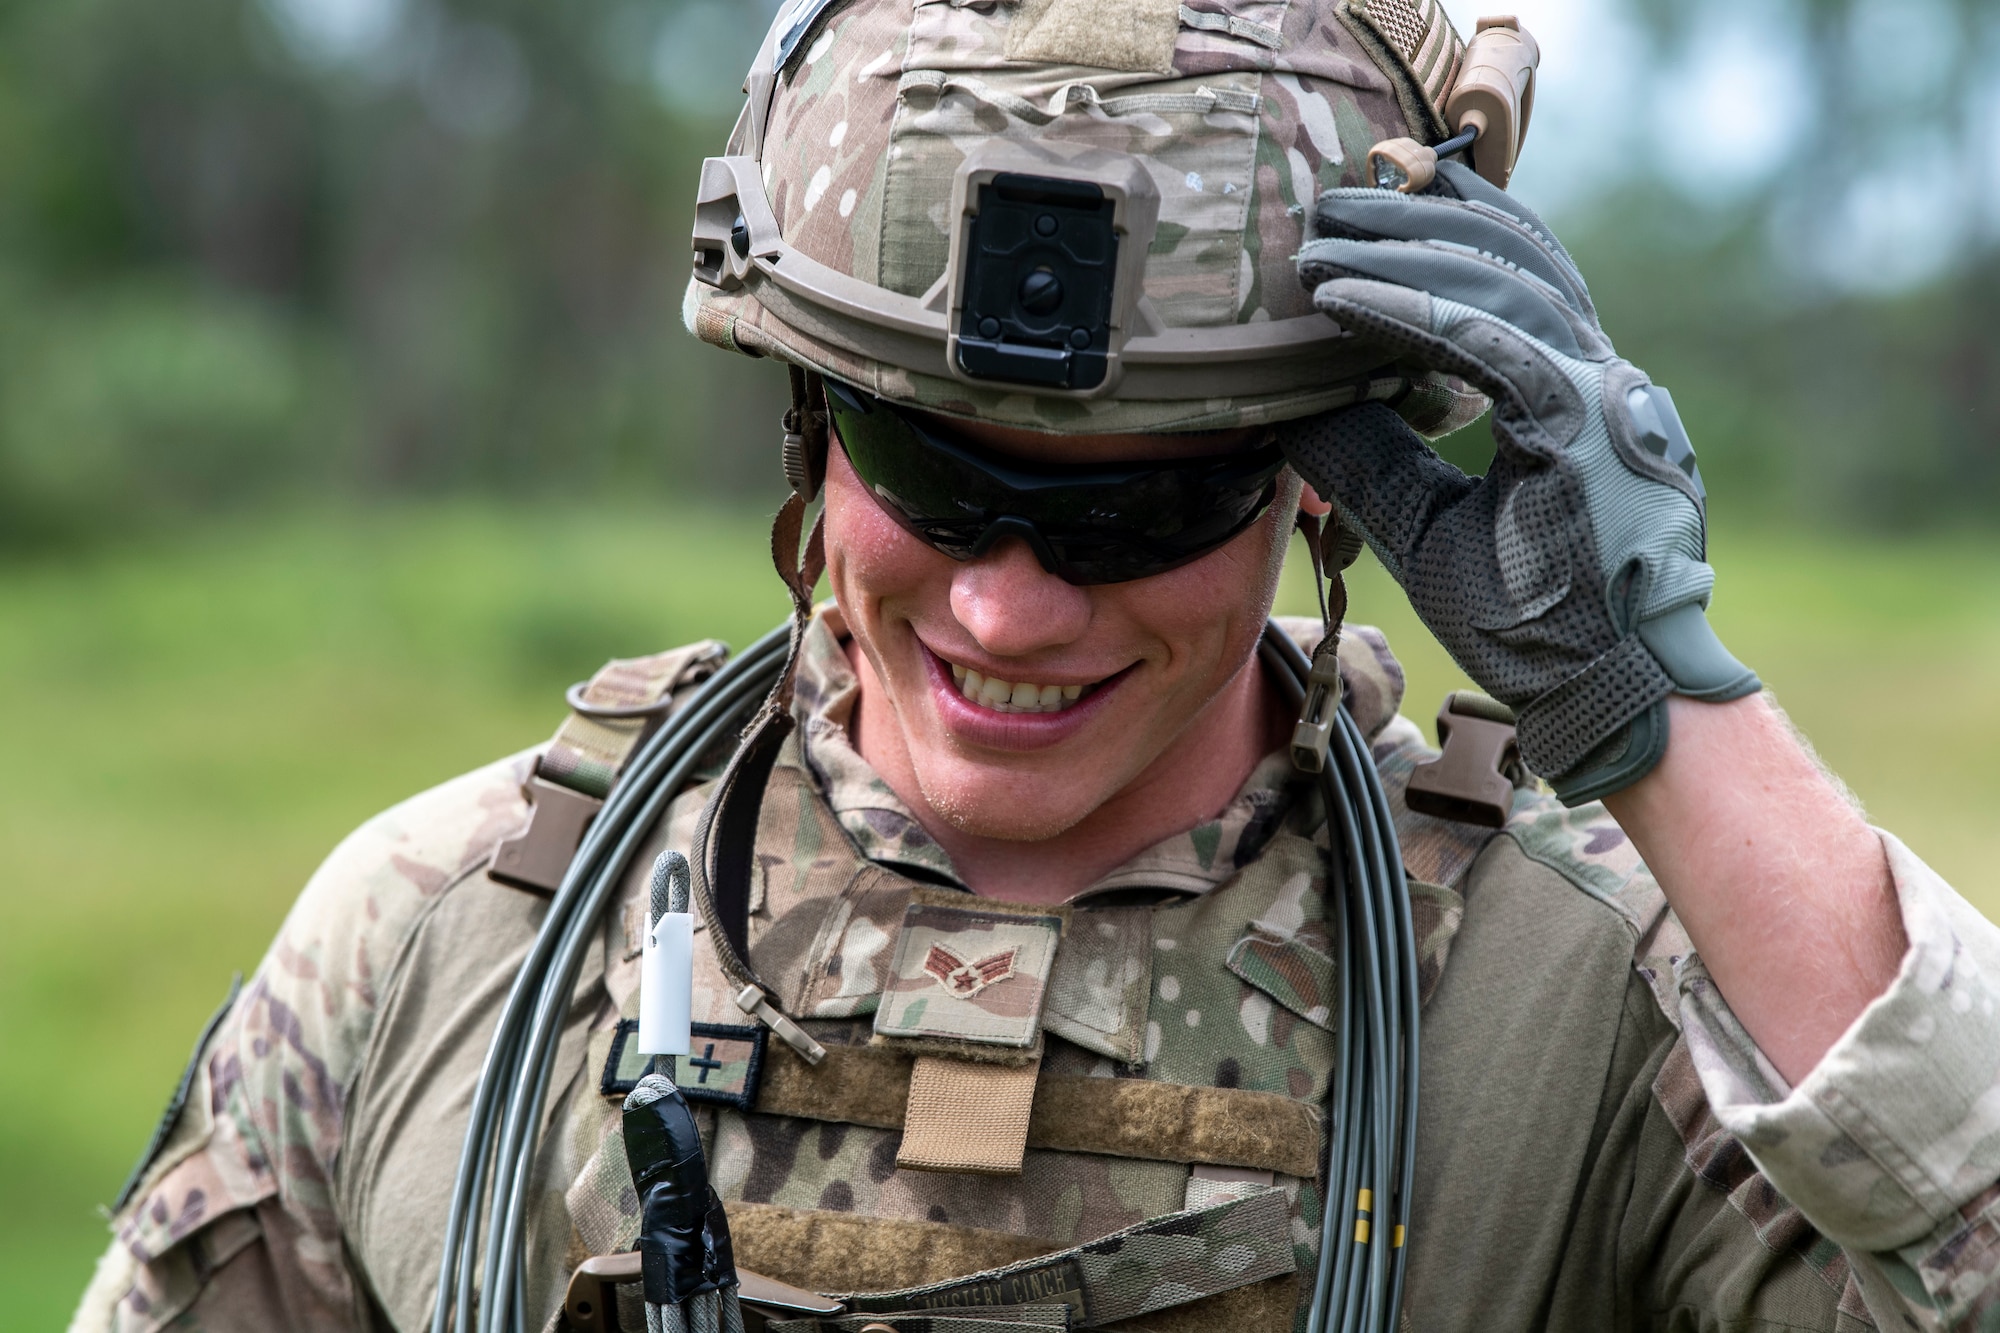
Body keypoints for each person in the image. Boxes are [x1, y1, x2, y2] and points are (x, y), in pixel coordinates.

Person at [69, 0, 2000, 1329]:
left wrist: (1652, 697)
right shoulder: (448, 935)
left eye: (1134, 514)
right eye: (937, 473)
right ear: (810, 432)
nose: (1010, 609)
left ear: (1322, 489)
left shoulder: (1575, 1013)